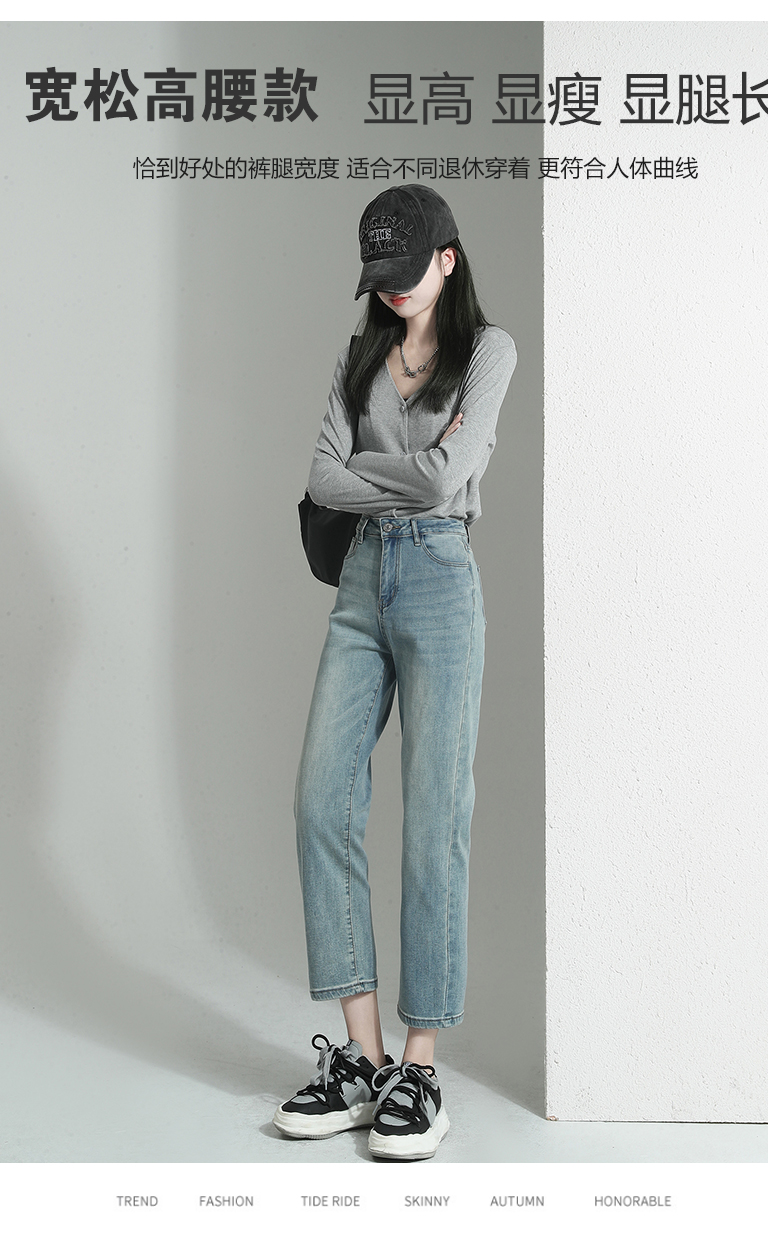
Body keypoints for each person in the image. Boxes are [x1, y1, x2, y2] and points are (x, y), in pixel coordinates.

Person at [273, 185, 517, 1161]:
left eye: (408, 273)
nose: (393, 291)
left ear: (447, 260)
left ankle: (419, 1069)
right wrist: (408, 476)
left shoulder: (488, 352)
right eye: (380, 277)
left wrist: (381, 473)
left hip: (441, 582)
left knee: (433, 817)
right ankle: (363, 1062)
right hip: (361, 582)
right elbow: (320, 478)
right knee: (321, 801)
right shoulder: (358, 356)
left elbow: (448, 482)